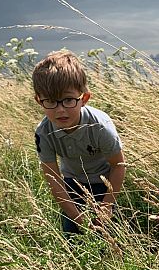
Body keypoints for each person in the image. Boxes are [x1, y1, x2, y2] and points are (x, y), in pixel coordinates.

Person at [32, 50, 126, 235]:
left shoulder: (100, 127)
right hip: (71, 184)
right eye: (50, 101)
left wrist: (106, 208)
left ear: (83, 99)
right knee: (73, 237)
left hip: (104, 182)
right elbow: (53, 179)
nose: (60, 110)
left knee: (110, 235)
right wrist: (78, 219)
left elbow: (119, 165)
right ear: (39, 101)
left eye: (68, 100)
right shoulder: (44, 133)